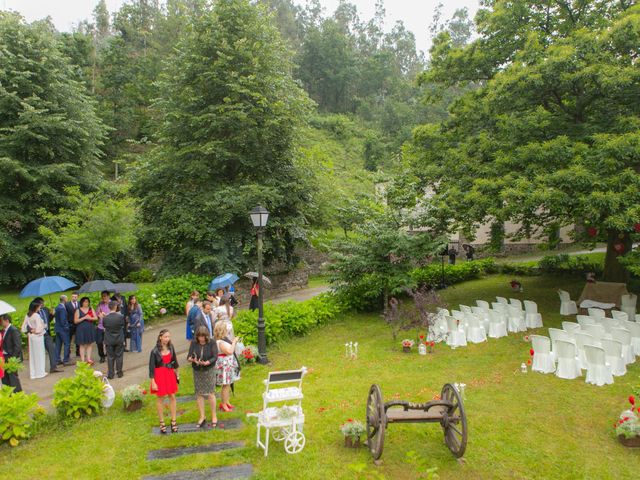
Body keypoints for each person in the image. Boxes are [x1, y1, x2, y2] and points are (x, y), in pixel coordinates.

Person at [149, 329, 179, 433]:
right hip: (159, 375)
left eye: (168, 337)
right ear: (160, 337)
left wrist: (177, 375)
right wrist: (153, 382)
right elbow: (151, 368)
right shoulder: (154, 351)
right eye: (165, 337)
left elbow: (175, 361)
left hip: (170, 374)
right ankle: (162, 422)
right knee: (160, 398)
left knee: (172, 396)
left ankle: (173, 421)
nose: (167, 339)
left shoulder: (171, 347)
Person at [187, 326, 218, 428]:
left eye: (203, 337)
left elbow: (215, 356)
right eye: (199, 337)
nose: (201, 339)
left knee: (210, 393)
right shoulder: (194, 343)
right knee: (199, 393)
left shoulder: (212, 342)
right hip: (197, 371)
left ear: (206, 336)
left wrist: (207, 362)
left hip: (208, 370)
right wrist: (192, 359)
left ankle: (214, 415)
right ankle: (202, 416)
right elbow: (189, 356)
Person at [214, 321, 240, 412]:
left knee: (228, 384)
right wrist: (234, 342)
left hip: (227, 364)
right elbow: (229, 351)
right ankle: (223, 404)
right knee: (225, 385)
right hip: (224, 365)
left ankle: (227, 402)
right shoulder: (220, 342)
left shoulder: (223, 340)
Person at [21, 301, 47, 379]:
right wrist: (36, 330)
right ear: (35, 307)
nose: (39, 308)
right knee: (39, 354)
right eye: (39, 307)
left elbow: (23, 327)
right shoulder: (36, 315)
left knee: (32, 354)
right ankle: (40, 372)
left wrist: (30, 330)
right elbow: (39, 327)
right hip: (37, 336)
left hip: (31, 336)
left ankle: (34, 373)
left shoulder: (28, 315)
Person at [33, 297, 59, 373]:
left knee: (52, 349)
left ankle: (53, 367)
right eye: (41, 303)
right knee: (39, 353)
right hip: (38, 335)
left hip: (47, 334)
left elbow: (48, 320)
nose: (43, 304)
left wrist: (52, 314)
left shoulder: (45, 309)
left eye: (43, 303)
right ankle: (39, 369)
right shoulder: (33, 313)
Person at [103, 301, 125, 379]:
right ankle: (119, 373)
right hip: (119, 338)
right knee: (119, 356)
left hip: (109, 339)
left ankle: (111, 374)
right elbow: (123, 325)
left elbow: (104, 326)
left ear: (109, 307)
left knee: (110, 357)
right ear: (115, 307)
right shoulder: (121, 317)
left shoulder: (105, 318)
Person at [1, 314, 23, 392]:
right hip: (4, 356)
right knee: (5, 376)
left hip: (12, 356)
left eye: (1, 321)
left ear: (7, 321)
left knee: (13, 376)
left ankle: (17, 392)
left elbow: (17, 346)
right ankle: (9, 392)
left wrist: (13, 358)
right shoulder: (2, 331)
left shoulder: (13, 330)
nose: (0, 322)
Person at [74, 297, 97, 364]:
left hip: (89, 328)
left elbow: (95, 318)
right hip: (81, 329)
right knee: (82, 344)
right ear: (82, 302)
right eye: (84, 302)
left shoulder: (91, 309)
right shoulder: (78, 310)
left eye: (87, 301)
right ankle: (82, 360)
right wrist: (84, 317)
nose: (86, 303)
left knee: (89, 343)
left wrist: (90, 318)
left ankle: (88, 359)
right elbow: (75, 321)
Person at [54, 295, 73, 366]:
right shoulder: (62, 308)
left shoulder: (57, 307)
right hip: (63, 329)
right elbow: (63, 320)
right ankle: (66, 360)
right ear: (64, 300)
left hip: (58, 328)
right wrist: (67, 327)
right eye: (67, 299)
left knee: (58, 344)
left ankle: (57, 359)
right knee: (67, 343)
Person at [95, 290, 111, 363]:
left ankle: (109, 354)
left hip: (108, 326)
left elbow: (115, 314)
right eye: (102, 296)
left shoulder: (112, 304)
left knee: (108, 342)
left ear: (108, 296)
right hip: (100, 326)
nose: (103, 297)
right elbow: (96, 315)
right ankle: (102, 356)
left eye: (105, 296)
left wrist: (106, 315)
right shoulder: (100, 304)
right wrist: (98, 314)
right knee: (99, 342)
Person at [66, 292, 80, 357]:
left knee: (78, 338)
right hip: (70, 323)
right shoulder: (67, 304)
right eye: (73, 296)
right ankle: (68, 352)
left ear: (78, 297)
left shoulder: (80, 303)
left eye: (75, 297)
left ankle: (78, 351)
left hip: (78, 323)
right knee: (69, 338)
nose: (74, 298)